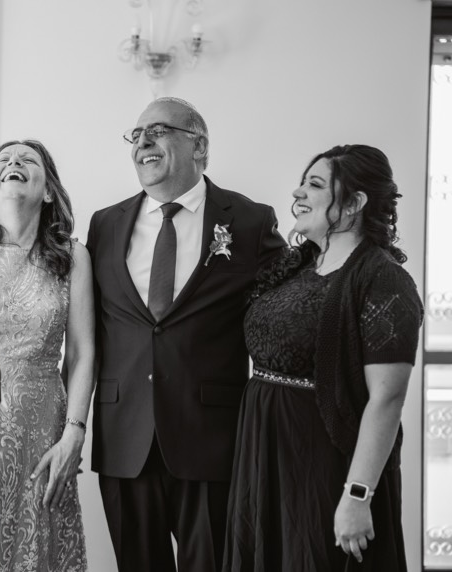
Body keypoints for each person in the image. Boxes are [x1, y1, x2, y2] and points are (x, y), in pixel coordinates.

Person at [86, 97, 286, 572]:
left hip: (211, 439)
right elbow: (87, 328)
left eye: (157, 130)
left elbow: (289, 309)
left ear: (199, 146)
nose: (143, 142)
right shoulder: (104, 224)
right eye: (136, 135)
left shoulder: (250, 221)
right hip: (124, 439)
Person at [223, 144, 423, 571]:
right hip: (265, 454)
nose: (298, 192)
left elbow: (387, 398)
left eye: (314, 184)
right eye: (302, 182)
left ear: (353, 203)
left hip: (324, 463)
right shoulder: (296, 266)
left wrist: (357, 495)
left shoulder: (384, 279)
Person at [0, 139, 93, 571]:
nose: (14, 162)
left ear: (49, 190)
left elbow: (82, 352)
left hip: (43, 431)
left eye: (28, 159)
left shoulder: (73, 257)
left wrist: (74, 433)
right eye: (4, 159)